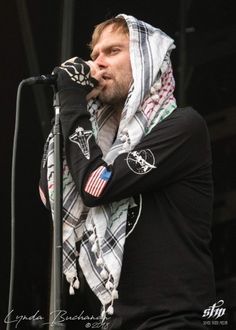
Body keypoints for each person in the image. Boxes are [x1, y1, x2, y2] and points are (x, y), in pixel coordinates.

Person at [39, 14, 216, 329]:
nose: (98, 63)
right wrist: (67, 106)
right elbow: (49, 193)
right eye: (94, 56)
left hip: (173, 321)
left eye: (113, 51)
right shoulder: (100, 143)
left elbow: (96, 188)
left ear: (146, 59)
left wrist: (72, 106)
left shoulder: (183, 127)